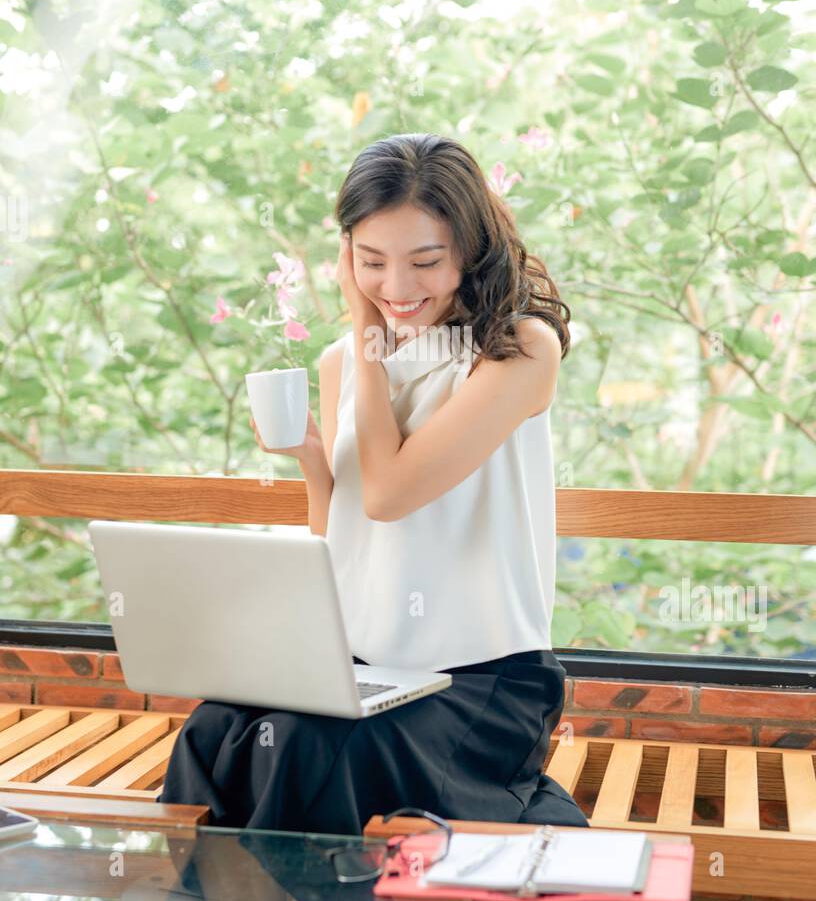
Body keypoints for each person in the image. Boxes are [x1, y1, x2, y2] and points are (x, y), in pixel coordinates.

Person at [158, 133, 589, 834]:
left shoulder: (515, 351)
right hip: (359, 661)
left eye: (424, 261)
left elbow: (388, 495)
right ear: (345, 256)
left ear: (470, 250)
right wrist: (311, 461)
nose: (395, 289)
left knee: (308, 749)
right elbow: (343, 537)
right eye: (371, 262)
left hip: (480, 676)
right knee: (217, 732)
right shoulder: (339, 365)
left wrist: (365, 338)